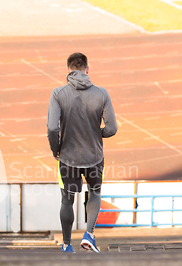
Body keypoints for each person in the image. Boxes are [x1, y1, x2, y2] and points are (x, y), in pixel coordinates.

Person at [47, 52, 118, 253]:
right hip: (95, 157)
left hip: (68, 157)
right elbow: (112, 129)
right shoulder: (102, 93)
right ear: (87, 69)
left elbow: (53, 128)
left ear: (67, 70)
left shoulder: (58, 94)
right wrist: (96, 134)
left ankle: (67, 245)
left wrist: (56, 150)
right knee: (95, 192)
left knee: (66, 200)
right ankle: (89, 234)